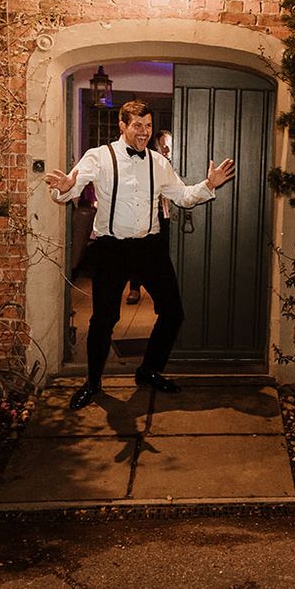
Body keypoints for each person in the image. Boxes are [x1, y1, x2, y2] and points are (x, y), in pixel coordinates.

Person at [45, 100, 235, 410]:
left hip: (149, 247)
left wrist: (207, 185)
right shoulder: (99, 157)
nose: (144, 132)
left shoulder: (159, 163)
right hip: (111, 248)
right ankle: (92, 383)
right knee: (104, 319)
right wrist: (64, 188)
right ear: (122, 126)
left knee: (173, 312)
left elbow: (184, 197)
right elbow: (69, 186)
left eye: (148, 126)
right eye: (137, 126)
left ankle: (148, 370)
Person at [125, 129, 174, 305]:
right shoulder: (150, 163)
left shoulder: (173, 164)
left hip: (169, 216)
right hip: (149, 215)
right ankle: (134, 288)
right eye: (163, 146)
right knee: (138, 252)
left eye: (169, 146)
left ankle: (164, 290)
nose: (167, 150)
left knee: (164, 253)